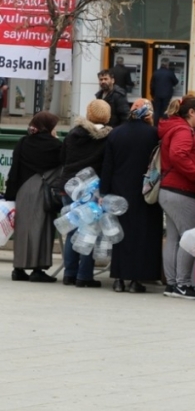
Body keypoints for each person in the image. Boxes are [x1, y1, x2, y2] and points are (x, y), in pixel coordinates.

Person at [100, 99, 162, 293]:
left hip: (120, 190)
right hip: (145, 191)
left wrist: (104, 192)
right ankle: (136, 279)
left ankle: (118, 278)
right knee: (143, 235)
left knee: (121, 235)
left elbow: (107, 166)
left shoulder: (116, 133)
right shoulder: (153, 134)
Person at [158, 97, 195, 301]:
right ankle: (182, 284)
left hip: (170, 190)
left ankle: (172, 284)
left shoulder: (174, 127)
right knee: (191, 237)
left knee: (173, 239)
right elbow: (178, 155)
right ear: (191, 112)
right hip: (181, 191)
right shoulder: (183, 131)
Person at [59, 100, 113, 288]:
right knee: (89, 231)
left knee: (72, 227)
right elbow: (107, 164)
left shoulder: (73, 134)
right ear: (107, 115)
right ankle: (84, 276)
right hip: (92, 188)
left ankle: (69, 273)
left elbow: (63, 158)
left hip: (69, 185)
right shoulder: (107, 138)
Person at [6, 111, 63, 283]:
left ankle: (19, 269)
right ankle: (38, 269)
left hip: (23, 191)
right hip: (42, 191)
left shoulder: (23, 142)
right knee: (42, 228)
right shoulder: (55, 146)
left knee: (23, 230)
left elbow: (14, 169)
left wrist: (10, 194)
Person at [150, 59, 179, 125]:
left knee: (157, 110)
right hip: (167, 95)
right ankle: (164, 124)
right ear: (167, 65)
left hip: (157, 94)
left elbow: (152, 85)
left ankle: (156, 125)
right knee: (165, 110)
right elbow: (176, 81)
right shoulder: (170, 73)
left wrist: (152, 94)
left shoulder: (156, 72)